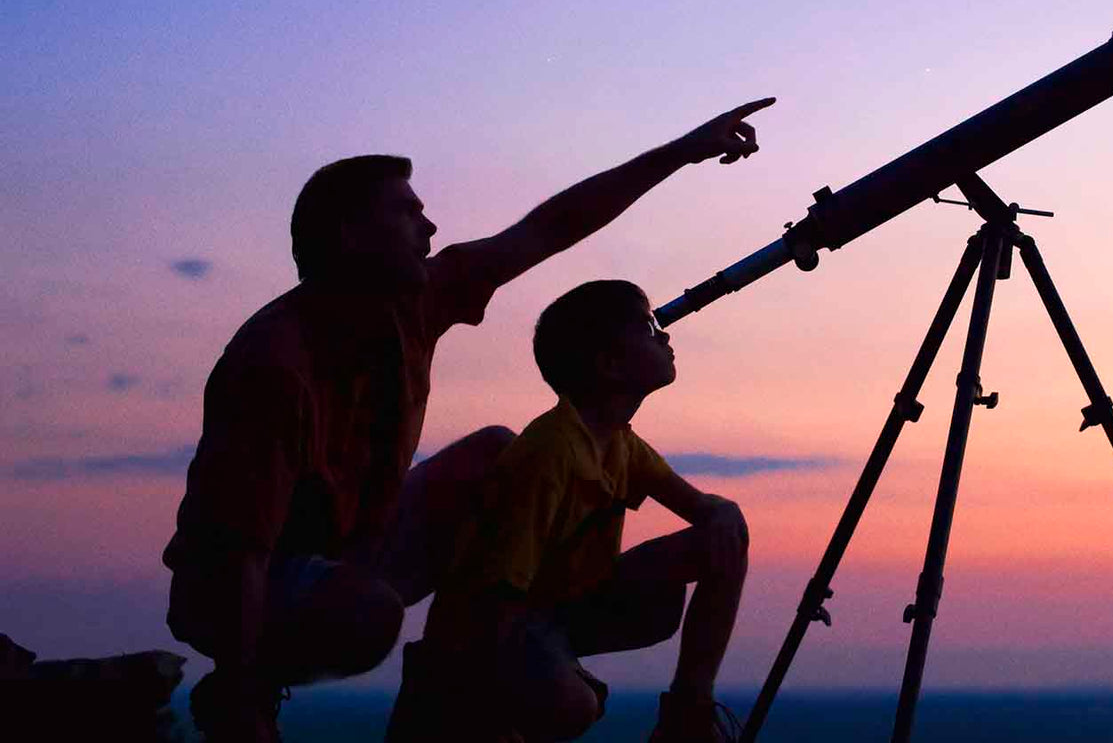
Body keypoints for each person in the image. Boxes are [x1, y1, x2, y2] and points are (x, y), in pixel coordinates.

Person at [161, 98, 775, 743]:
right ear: (349, 235)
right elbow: (240, 548)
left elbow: (551, 226)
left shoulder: (416, 303)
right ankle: (256, 684)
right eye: (408, 213)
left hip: (350, 546)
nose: (430, 229)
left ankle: (461, 668)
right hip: (246, 582)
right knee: (365, 614)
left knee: (493, 455)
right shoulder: (272, 364)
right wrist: (241, 688)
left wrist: (680, 152)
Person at [387, 280, 748, 743]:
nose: (665, 335)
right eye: (648, 327)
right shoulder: (551, 452)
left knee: (727, 533)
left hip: (562, 604)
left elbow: (705, 511)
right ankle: (485, 713)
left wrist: (723, 513)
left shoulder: (620, 443)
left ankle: (688, 713)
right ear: (610, 366)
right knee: (571, 705)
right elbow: (497, 596)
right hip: (491, 625)